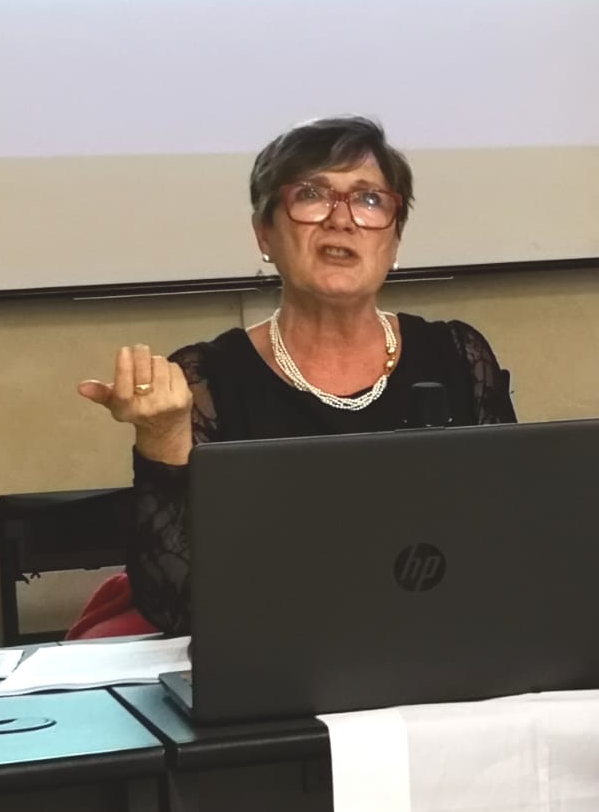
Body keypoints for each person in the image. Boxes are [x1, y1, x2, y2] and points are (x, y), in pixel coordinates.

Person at [78, 116, 516, 633]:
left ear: (395, 241)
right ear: (264, 233)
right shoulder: (206, 379)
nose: (342, 220)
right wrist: (161, 438)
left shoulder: (459, 356)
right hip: (280, 650)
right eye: (312, 195)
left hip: (446, 639)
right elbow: (178, 608)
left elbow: (512, 539)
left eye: (370, 199)